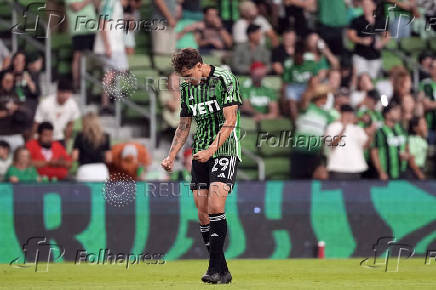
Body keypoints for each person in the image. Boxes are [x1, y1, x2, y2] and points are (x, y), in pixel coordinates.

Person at [161, 48, 242, 284]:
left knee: (216, 204)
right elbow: (184, 125)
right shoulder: (187, 88)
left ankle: (213, 268)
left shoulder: (225, 79)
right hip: (200, 152)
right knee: (202, 211)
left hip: (224, 149)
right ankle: (222, 269)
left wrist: (212, 150)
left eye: (188, 75)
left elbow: (230, 120)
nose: (187, 81)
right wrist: (171, 155)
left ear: (199, 65)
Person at [290, 83, 334, 179]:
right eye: (326, 97)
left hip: (315, 151)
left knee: (313, 181)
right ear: (321, 98)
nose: (327, 100)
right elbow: (304, 99)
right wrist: (313, 88)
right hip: (300, 150)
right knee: (297, 180)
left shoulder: (326, 115)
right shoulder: (307, 108)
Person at [371, 101, 425, 180]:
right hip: (386, 174)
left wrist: (407, 155)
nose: (399, 112)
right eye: (395, 110)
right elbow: (374, 152)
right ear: (387, 114)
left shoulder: (401, 129)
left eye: (399, 110)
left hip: (402, 173)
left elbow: (406, 147)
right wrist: (380, 171)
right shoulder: (380, 131)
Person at [95, 0, 129, 114]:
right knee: (111, 73)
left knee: (119, 71)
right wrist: (107, 45)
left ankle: (111, 100)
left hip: (116, 46)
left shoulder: (116, 4)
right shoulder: (110, 2)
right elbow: (102, 22)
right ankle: (105, 104)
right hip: (111, 46)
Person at [326, 104, 376, 179]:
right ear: (342, 114)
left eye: (351, 114)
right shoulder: (333, 126)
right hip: (338, 168)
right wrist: (343, 129)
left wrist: (371, 135)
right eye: (347, 113)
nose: (350, 116)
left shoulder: (357, 128)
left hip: (356, 168)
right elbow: (332, 145)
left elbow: (365, 146)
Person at [347, 0, 390, 80]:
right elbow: (351, 36)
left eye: (368, 5)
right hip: (360, 56)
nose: (366, 7)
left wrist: (381, 43)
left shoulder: (381, 20)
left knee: (372, 79)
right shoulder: (357, 20)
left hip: (375, 56)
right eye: (364, 5)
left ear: (374, 6)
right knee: (362, 78)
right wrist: (362, 40)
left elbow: (387, 35)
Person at [33, 79, 81, 145]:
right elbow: (37, 123)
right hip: (44, 138)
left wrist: (66, 141)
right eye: (63, 92)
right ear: (58, 91)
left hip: (60, 138)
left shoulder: (72, 105)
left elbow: (70, 125)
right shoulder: (46, 103)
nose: (65, 96)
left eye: (68, 93)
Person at [66, 0, 97, 91]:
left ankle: (90, 85)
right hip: (78, 29)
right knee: (78, 56)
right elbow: (76, 7)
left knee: (92, 58)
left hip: (92, 28)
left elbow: (97, 6)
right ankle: (77, 84)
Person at [72, 112, 111, 181]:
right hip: (101, 170)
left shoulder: (80, 136)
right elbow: (109, 158)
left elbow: (74, 157)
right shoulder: (105, 136)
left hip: (85, 170)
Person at [419, 59, 436, 144]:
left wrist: (432, 104)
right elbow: (425, 104)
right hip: (430, 126)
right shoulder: (425, 84)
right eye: (433, 67)